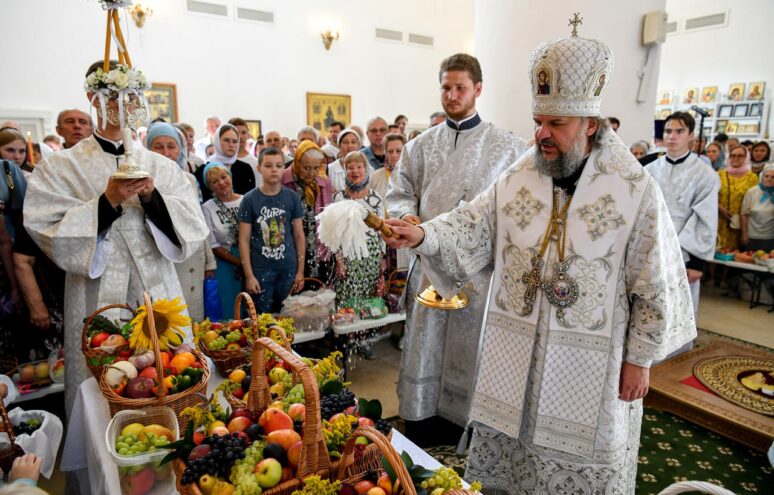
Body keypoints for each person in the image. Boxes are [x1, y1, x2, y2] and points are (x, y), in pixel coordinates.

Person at [382, 28, 695, 494]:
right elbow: (474, 223)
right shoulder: (522, 173)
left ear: (590, 124)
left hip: (592, 361)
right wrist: (424, 232)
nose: (541, 134)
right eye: (538, 121)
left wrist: (640, 360)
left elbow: (653, 279)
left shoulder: (633, 189)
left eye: (556, 124)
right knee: (514, 461)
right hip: (518, 350)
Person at [23, 59, 209, 417]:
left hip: (157, 292)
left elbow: (192, 223)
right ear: (93, 98)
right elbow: (46, 228)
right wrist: (106, 202)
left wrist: (153, 200)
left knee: (171, 377)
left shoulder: (162, 165)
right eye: (113, 97)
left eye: (133, 96)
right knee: (105, 384)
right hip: (96, 294)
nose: (124, 106)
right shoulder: (62, 168)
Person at [386, 52, 528, 433]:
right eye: (446, 87)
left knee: (467, 345)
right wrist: (407, 216)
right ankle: (421, 415)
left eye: (460, 87)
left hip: (475, 270)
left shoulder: (507, 147)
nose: (451, 95)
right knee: (425, 342)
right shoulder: (420, 145)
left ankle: (461, 421)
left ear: (478, 89)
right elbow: (399, 191)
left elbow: (514, 209)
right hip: (428, 262)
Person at [645, 111, 719, 319]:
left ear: (691, 135)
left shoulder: (704, 174)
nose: (672, 136)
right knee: (649, 307)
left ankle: (679, 352)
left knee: (679, 309)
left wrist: (697, 263)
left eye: (679, 131)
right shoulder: (649, 170)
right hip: (651, 247)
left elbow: (706, 218)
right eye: (668, 131)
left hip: (684, 251)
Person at [146, 123, 216, 321]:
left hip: (193, 255)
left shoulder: (188, 179)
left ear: (180, 149)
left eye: (171, 146)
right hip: (163, 257)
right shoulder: (141, 180)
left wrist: (209, 260)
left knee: (193, 314)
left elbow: (199, 220)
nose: (166, 152)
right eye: (158, 146)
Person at [239, 147, 305, 313]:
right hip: (260, 270)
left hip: (288, 268)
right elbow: (244, 239)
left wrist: (300, 271)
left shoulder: (292, 197)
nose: (274, 169)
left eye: (279, 165)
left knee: (287, 317)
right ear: (259, 168)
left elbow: (299, 235)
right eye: (268, 165)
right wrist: (249, 275)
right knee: (262, 319)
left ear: (284, 168)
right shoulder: (249, 199)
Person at [332, 151, 386, 305]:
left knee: (370, 303)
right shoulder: (339, 198)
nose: (355, 171)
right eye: (350, 167)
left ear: (365, 169)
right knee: (347, 301)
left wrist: (382, 259)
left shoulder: (375, 198)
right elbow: (335, 233)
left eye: (359, 166)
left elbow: (381, 231)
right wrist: (339, 261)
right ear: (345, 171)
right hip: (348, 255)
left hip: (372, 256)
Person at [282, 141, 333, 285]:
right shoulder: (284, 180)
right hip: (292, 249)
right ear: (297, 162)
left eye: (316, 168)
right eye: (306, 168)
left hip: (319, 250)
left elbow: (328, 217)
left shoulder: (324, 182)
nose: (311, 173)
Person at [201, 163, 243, 319]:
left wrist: (246, 262)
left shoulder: (245, 200)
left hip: (250, 259)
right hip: (224, 263)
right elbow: (212, 244)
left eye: (224, 177)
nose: (221, 182)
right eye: (214, 181)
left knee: (249, 306)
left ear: (230, 177)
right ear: (210, 187)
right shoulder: (207, 208)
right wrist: (239, 263)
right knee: (229, 308)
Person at [716, 145, 759, 253]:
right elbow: (709, 196)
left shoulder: (752, 178)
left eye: (740, 156)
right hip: (719, 218)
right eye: (733, 155)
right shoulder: (719, 175)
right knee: (716, 249)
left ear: (746, 157)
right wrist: (720, 208)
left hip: (740, 222)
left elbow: (754, 200)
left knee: (735, 253)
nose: (736, 158)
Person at [201, 123, 257, 199]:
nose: (231, 145)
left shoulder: (245, 168)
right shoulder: (204, 170)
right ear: (217, 141)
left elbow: (251, 198)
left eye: (235, 141)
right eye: (226, 140)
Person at [741, 164, 774, 251]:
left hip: (770, 237)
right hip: (752, 235)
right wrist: (744, 234)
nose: (769, 179)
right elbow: (744, 214)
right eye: (766, 176)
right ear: (761, 177)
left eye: (773, 177)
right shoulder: (752, 191)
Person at [327, 128, 362, 194]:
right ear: (339, 145)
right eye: (345, 142)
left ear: (358, 145)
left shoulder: (367, 168)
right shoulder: (330, 169)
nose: (350, 146)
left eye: (353, 142)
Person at [371, 133, 405, 200]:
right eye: (390, 151)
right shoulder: (375, 176)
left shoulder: (412, 177)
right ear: (385, 153)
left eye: (398, 151)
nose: (394, 155)